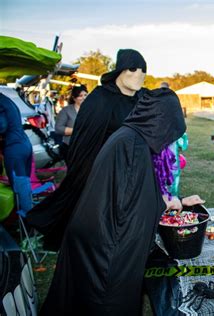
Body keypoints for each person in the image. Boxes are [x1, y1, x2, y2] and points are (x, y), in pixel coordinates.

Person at [40, 88, 203, 315]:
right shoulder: (134, 146)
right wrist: (168, 204)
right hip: (106, 250)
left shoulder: (128, 136)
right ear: (160, 122)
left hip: (95, 236)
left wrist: (176, 201)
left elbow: (134, 193)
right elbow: (137, 208)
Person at [26, 49, 148, 251]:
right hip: (98, 164)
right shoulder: (100, 98)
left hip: (131, 165)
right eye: (133, 69)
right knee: (85, 204)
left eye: (143, 70)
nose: (139, 75)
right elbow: (85, 137)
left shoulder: (141, 99)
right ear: (120, 71)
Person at [0, 93, 33, 212]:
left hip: (14, 148)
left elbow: (2, 125)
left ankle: (28, 223)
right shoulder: (5, 98)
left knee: (20, 189)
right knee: (25, 185)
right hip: (23, 144)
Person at [54, 85, 88, 160]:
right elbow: (58, 129)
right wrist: (77, 130)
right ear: (74, 98)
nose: (84, 98)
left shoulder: (91, 110)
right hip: (71, 147)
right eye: (80, 96)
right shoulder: (66, 111)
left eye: (85, 95)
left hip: (87, 147)